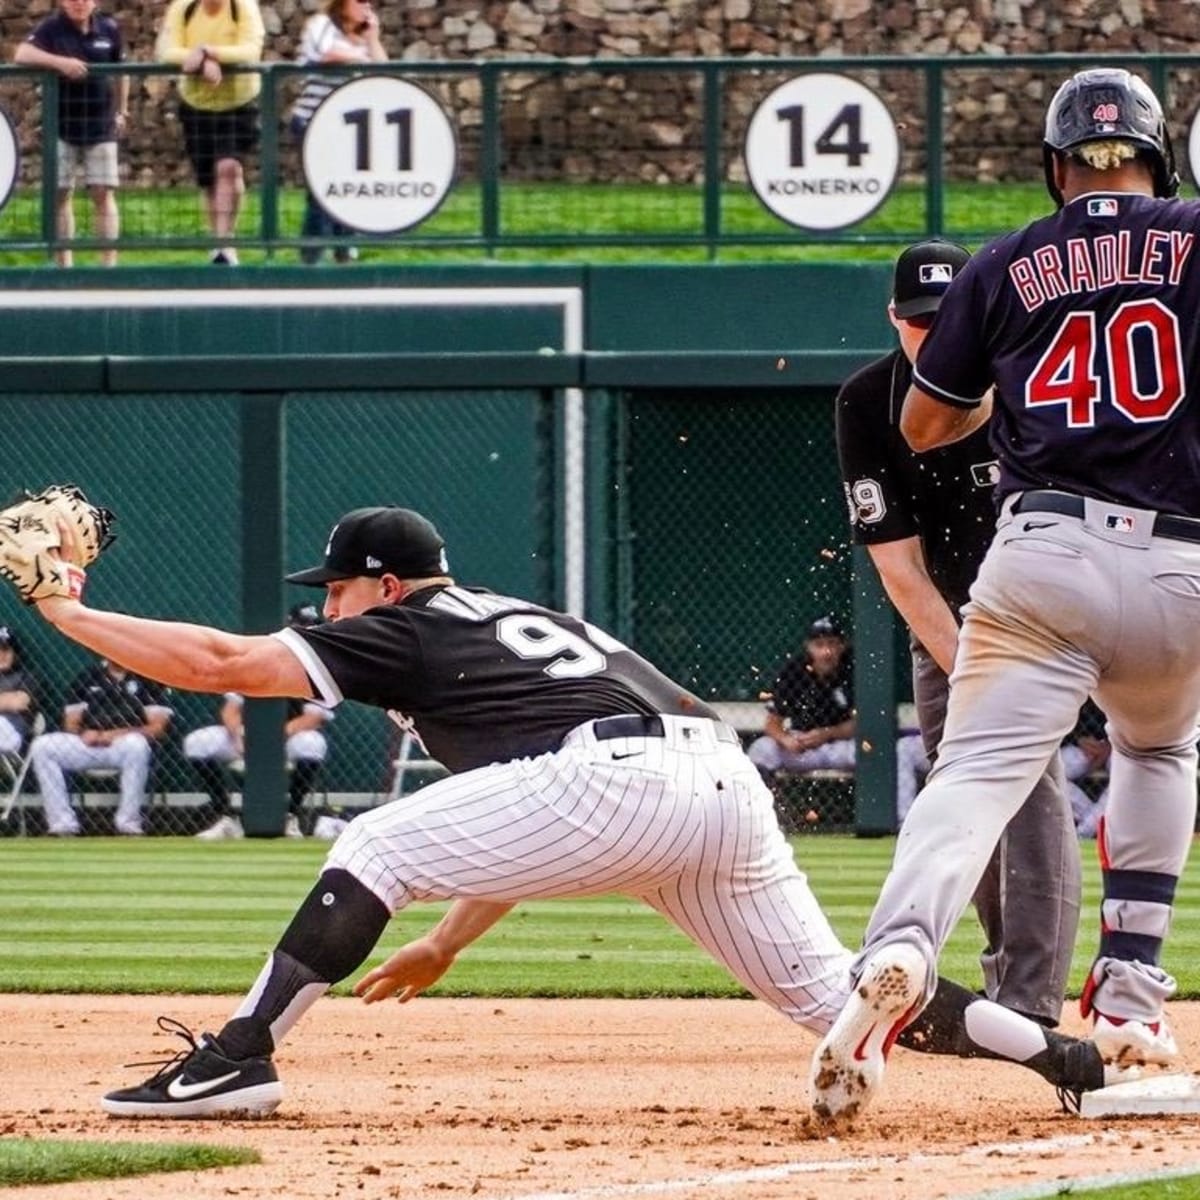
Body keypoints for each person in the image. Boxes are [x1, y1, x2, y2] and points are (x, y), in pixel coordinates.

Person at [13, 503, 1114, 1117]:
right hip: (714, 782)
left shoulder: (408, 624)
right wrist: (446, 938)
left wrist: (68, 609)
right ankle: (1057, 1059)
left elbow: (223, 662)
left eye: (335, 590)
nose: (327, 610)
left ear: (384, 586)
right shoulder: (513, 617)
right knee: (831, 995)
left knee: (373, 837)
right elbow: (526, 816)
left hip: (617, 781)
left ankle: (237, 1055)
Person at [811, 66, 1200, 1121]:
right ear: (1157, 154)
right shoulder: (1194, 236)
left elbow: (929, 424)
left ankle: (896, 953)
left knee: (974, 774)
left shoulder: (1005, 260)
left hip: (1040, 553)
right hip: (1180, 557)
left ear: (1056, 161)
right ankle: (1126, 995)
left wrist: (1016, 376)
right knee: (1156, 750)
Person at [835, 238, 1081, 1029]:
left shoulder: (1025, 381)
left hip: (1047, 603)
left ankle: (1032, 996)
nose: (932, 335)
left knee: (1031, 777)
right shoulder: (868, 402)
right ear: (892, 320)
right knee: (960, 786)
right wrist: (970, 665)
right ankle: (1003, 972)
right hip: (945, 613)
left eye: (945, 320)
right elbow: (899, 569)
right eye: (917, 322)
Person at [746, 616, 929, 825]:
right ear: (808, 647)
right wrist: (787, 740)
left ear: (842, 646)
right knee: (762, 749)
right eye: (819, 645)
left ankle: (902, 823)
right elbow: (772, 724)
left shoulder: (856, 669)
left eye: (832, 644)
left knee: (894, 751)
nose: (826, 652)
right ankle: (758, 821)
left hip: (846, 746)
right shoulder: (794, 670)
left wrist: (826, 734)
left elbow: (863, 723)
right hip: (803, 746)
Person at [188, 602, 332, 840]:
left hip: (288, 738)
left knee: (312, 744)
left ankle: (290, 816)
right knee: (197, 742)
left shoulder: (319, 663)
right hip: (245, 737)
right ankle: (226, 816)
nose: (307, 633)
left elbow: (312, 718)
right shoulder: (263, 654)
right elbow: (231, 710)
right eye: (301, 628)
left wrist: (269, 740)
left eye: (311, 628)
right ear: (288, 627)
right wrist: (241, 735)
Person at [13, 0, 127, 268]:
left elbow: (123, 72)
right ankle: (65, 265)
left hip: (101, 126)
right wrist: (60, 63)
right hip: (61, 126)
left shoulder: (109, 28)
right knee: (60, 194)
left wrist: (122, 110)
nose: (79, 3)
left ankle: (108, 266)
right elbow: (22, 54)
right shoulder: (51, 28)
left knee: (103, 193)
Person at [157, 0, 265, 266]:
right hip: (197, 105)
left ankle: (226, 242)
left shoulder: (243, 8)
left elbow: (251, 49)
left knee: (229, 168)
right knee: (209, 181)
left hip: (237, 104)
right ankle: (219, 244)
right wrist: (202, 61)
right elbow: (167, 51)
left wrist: (208, 51)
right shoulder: (184, 8)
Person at [30, 657, 172, 836]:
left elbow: (157, 728)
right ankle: (62, 824)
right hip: (87, 744)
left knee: (138, 745)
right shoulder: (88, 677)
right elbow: (71, 724)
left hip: (124, 746)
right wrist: (83, 734)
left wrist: (113, 734)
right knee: (43, 746)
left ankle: (128, 824)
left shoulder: (148, 678)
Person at [290, 0, 386, 264]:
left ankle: (343, 249)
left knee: (346, 188)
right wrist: (359, 54)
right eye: (359, 1)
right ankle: (313, 255)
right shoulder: (320, 26)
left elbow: (385, 73)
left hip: (350, 128)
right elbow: (325, 53)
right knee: (321, 190)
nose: (366, 6)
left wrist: (372, 39)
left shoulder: (363, 39)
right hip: (313, 122)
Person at [1062, 700, 1111, 840]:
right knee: (1049, 774)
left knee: (1122, 780)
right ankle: (1088, 822)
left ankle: (1084, 832)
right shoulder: (1074, 688)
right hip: (1082, 749)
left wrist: (1108, 747)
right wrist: (1078, 739)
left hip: (1119, 750)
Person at [0, 626, 40, 759]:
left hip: (11, 733)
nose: (1, 655)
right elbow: (8, 701)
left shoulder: (26, 676)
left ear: (15, 653)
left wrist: (9, 701)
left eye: (5, 649)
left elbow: (19, 702)